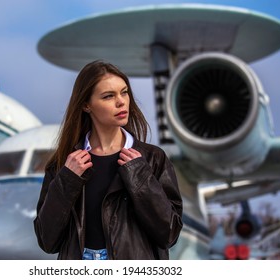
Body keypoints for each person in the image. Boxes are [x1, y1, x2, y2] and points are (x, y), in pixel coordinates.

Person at [33, 60, 183, 260]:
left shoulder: (152, 158)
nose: (121, 101)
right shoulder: (65, 164)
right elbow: (47, 241)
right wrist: (67, 180)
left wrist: (140, 177)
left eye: (124, 92)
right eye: (108, 96)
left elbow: (170, 234)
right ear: (86, 105)